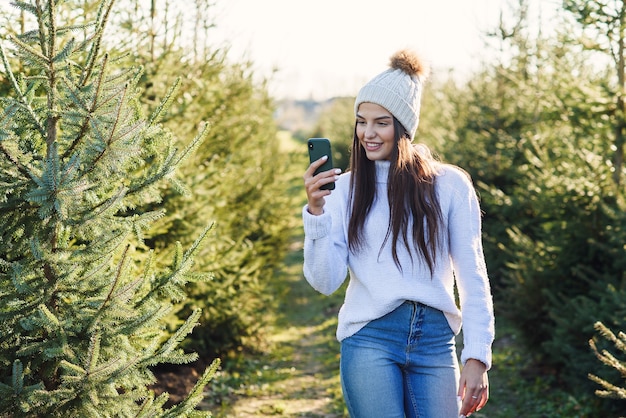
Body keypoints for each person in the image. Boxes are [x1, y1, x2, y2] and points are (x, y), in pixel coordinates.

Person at [302, 49, 495, 418]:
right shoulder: (345, 190)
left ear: (403, 127)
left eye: (381, 123)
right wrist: (316, 213)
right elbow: (325, 281)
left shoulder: (448, 186)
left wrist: (477, 356)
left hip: (436, 343)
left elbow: (473, 277)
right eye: (361, 122)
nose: (368, 134)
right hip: (370, 339)